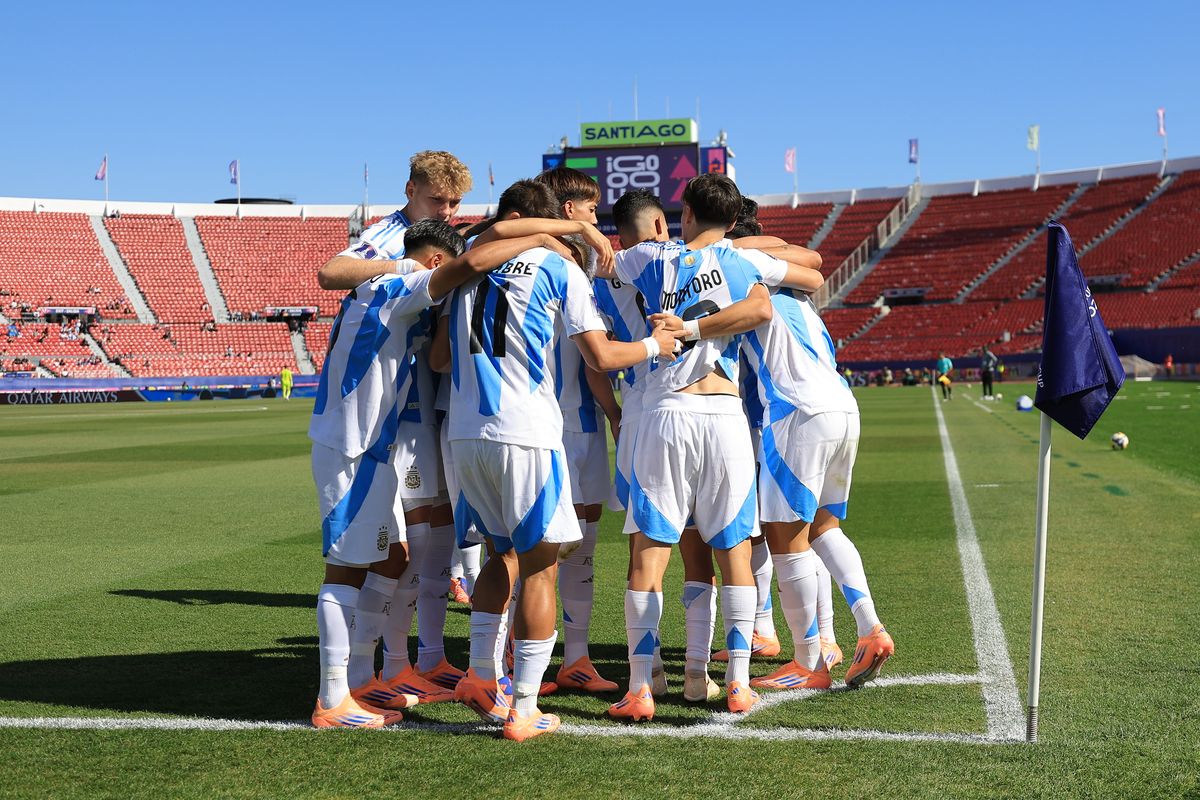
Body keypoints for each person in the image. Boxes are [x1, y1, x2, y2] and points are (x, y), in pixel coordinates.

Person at [431, 213, 682, 742]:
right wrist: (655, 345)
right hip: (526, 432)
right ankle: (523, 708)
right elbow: (601, 356)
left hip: (465, 432)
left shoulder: (467, 268)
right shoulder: (556, 267)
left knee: (501, 554)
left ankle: (479, 676)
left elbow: (437, 357)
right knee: (540, 566)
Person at [307, 221, 563, 728]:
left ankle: (359, 679)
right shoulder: (399, 283)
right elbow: (467, 265)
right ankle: (330, 699)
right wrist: (542, 239)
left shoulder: (396, 291)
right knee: (345, 568)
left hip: (375, 445)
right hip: (350, 444)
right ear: (432, 264)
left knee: (393, 556)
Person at [607, 174, 816, 721]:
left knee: (651, 549)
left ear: (686, 214)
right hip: (725, 414)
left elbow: (602, 257)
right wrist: (749, 254)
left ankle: (640, 688)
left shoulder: (651, 257)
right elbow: (804, 281)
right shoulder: (745, 262)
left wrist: (683, 325)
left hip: (666, 411)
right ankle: (740, 682)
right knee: (734, 552)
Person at [317, 151, 473, 290]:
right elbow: (330, 273)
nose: (446, 211)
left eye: (454, 203)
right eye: (436, 199)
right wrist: (406, 266)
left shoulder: (438, 234)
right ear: (411, 191)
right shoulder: (391, 234)